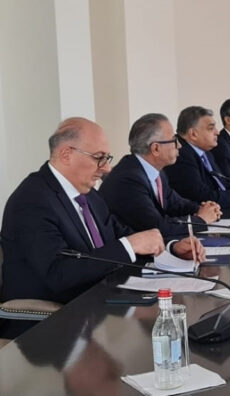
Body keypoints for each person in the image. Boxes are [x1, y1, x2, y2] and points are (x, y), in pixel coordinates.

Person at [0, 118, 204, 304]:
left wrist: (171, 248)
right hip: (54, 318)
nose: (106, 168)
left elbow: (121, 234)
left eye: (107, 158)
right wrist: (130, 245)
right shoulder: (32, 201)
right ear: (66, 155)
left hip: (100, 299)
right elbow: (58, 273)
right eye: (99, 158)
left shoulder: (89, 195)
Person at [100, 113, 222, 238]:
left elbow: (176, 204)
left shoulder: (155, 171)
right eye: (174, 141)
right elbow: (156, 227)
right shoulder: (129, 179)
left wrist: (204, 209)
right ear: (156, 149)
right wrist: (201, 220)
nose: (179, 145)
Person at [165, 106, 230, 209]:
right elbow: (202, 196)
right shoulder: (181, 155)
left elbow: (220, 184)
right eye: (211, 128)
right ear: (193, 134)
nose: (217, 132)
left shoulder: (205, 152)